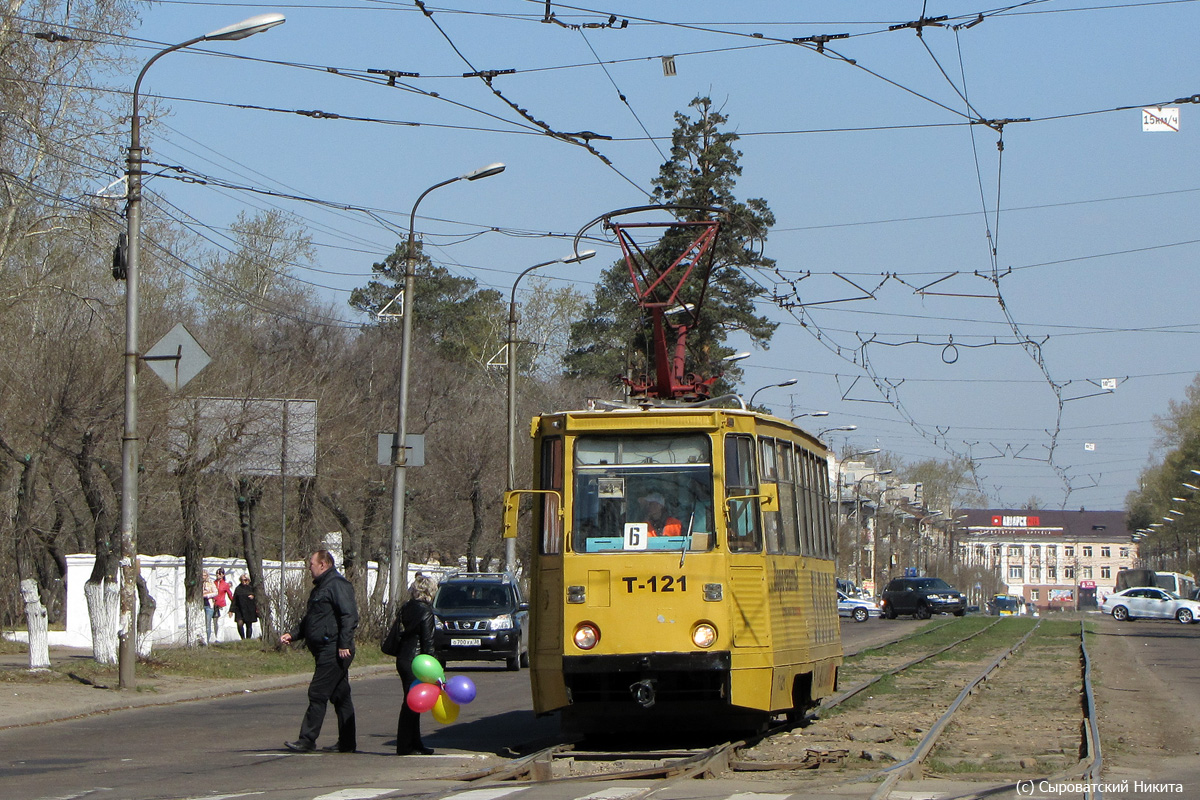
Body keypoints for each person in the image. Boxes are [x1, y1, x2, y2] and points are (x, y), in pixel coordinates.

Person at [280, 550, 359, 753]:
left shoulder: (338, 585)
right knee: (340, 695)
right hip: (324, 648)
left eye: (312, 564)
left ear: (323, 564)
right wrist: (294, 634)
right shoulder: (321, 588)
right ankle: (348, 742)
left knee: (317, 692)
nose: (309, 568)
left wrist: (344, 643)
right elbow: (313, 618)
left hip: (334, 649)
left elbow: (349, 616)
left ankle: (307, 739)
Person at [394, 574, 437, 756]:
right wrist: (434, 669)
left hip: (403, 658)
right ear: (429, 591)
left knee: (412, 702)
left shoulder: (406, 608)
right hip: (417, 661)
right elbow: (428, 642)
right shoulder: (426, 611)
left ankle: (415, 743)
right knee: (412, 703)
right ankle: (405, 745)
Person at [232, 573, 259, 639]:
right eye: (242, 580)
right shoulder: (238, 588)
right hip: (239, 609)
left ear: (248, 580)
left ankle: (248, 639)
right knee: (239, 624)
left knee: (249, 625)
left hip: (249, 609)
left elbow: (258, 597)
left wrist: (253, 596)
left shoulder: (251, 588)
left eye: (246, 580)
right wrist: (231, 610)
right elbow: (234, 599)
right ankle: (242, 638)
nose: (244, 582)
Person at [213, 569, 234, 638]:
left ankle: (219, 638)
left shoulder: (225, 584)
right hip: (214, 605)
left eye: (219, 574)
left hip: (221, 605)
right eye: (217, 573)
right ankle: (216, 636)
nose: (218, 575)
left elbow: (230, 595)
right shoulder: (213, 583)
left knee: (220, 622)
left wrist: (234, 604)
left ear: (223, 575)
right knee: (215, 622)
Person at [201, 571, 218, 643]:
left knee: (208, 623)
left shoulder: (211, 583)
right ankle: (201, 640)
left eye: (205, 575)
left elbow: (216, 592)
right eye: (202, 575)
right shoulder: (199, 583)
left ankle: (207, 641)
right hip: (201, 604)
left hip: (209, 605)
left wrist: (207, 595)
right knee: (201, 624)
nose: (203, 577)